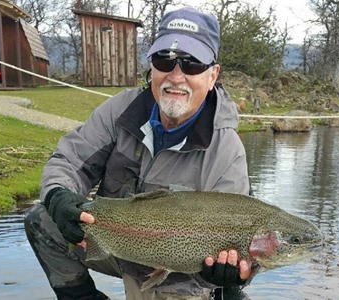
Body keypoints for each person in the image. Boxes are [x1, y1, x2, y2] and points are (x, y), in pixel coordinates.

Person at [25, 6, 251, 300]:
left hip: (177, 271)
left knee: (222, 289)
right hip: (112, 239)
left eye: (192, 64)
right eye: (165, 60)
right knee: (42, 219)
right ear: (152, 67)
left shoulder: (227, 151)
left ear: (212, 76)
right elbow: (69, 162)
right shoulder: (121, 111)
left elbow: (246, 246)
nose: (176, 75)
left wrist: (230, 279)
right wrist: (60, 197)